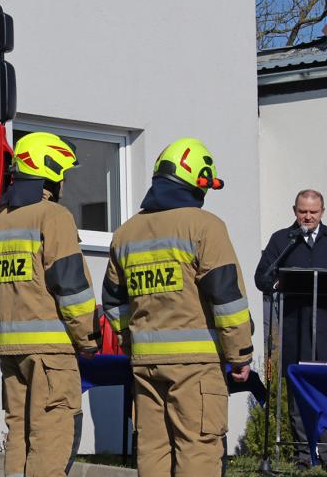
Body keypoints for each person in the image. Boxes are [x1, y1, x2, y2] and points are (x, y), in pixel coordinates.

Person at [102, 138, 252, 477]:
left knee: (152, 452)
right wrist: (239, 354)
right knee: (197, 450)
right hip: (195, 366)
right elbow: (226, 298)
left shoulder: (126, 233)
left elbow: (113, 301)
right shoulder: (204, 226)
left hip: (145, 365)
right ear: (196, 181)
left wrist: (132, 341)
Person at [0, 132, 98, 477]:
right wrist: (88, 339)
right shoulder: (52, 217)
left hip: (11, 351)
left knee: (20, 436)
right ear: (49, 172)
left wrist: (3, 328)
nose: (63, 182)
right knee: (50, 438)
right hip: (52, 352)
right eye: (61, 173)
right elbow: (70, 286)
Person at [253, 189, 327, 469]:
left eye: (313, 212)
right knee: (299, 395)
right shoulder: (283, 240)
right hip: (294, 328)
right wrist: (280, 282)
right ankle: (304, 454)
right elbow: (261, 277)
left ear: (323, 211)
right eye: (303, 211)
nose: (308, 217)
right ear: (294, 210)